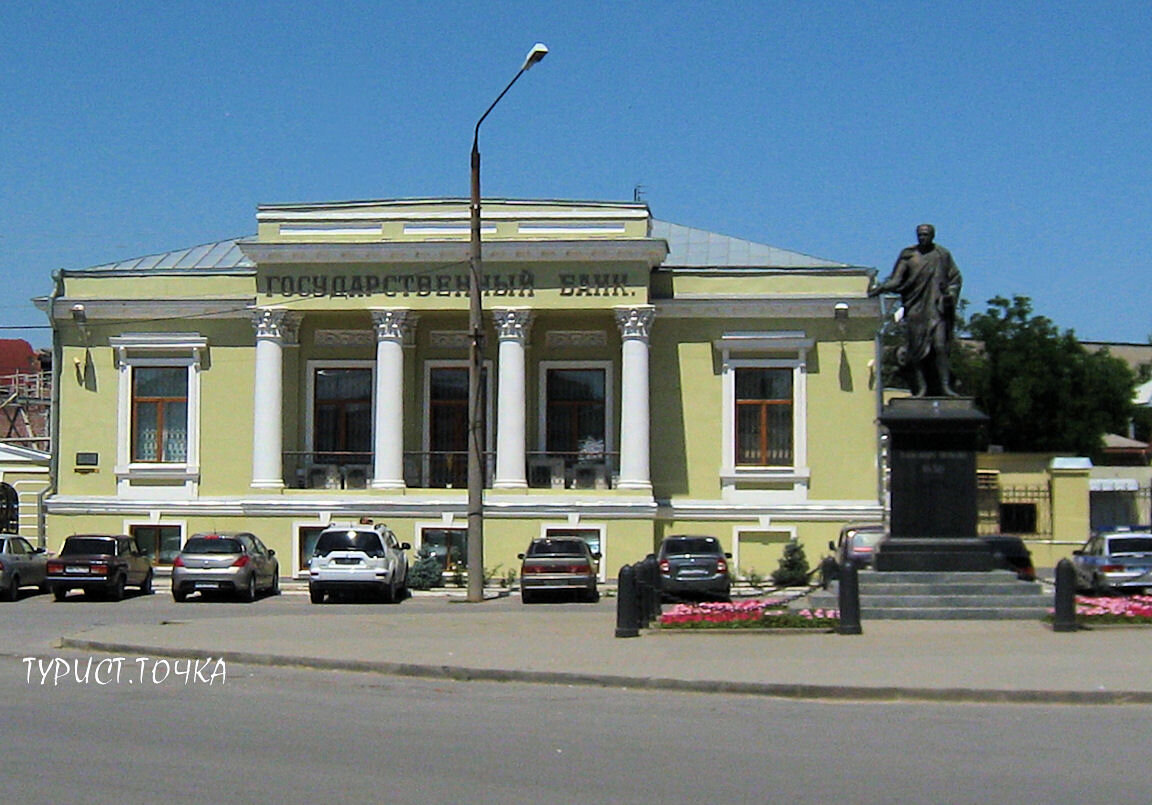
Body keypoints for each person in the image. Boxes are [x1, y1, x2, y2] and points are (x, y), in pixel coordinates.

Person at [869, 224, 962, 397]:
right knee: (916, 350)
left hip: (937, 308)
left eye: (925, 235)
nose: (922, 237)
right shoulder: (908, 255)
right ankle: (920, 388)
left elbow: (955, 278)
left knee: (940, 346)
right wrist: (881, 288)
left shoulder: (942, 255)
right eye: (920, 235)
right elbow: (896, 280)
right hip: (916, 309)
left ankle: (945, 386)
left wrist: (950, 293)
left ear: (932, 235)